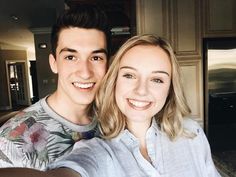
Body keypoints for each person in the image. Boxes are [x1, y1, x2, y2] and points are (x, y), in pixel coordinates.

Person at [0, 35, 220, 177]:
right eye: (129, 75)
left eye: (157, 79)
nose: (141, 90)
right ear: (114, 81)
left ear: (170, 88)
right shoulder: (96, 151)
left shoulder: (192, 133)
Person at [0, 4, 110, 170]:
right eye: (71, 57)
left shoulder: (114, 118)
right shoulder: (12, 142)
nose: (85, 73)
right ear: (54, 63)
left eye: (96, 58)